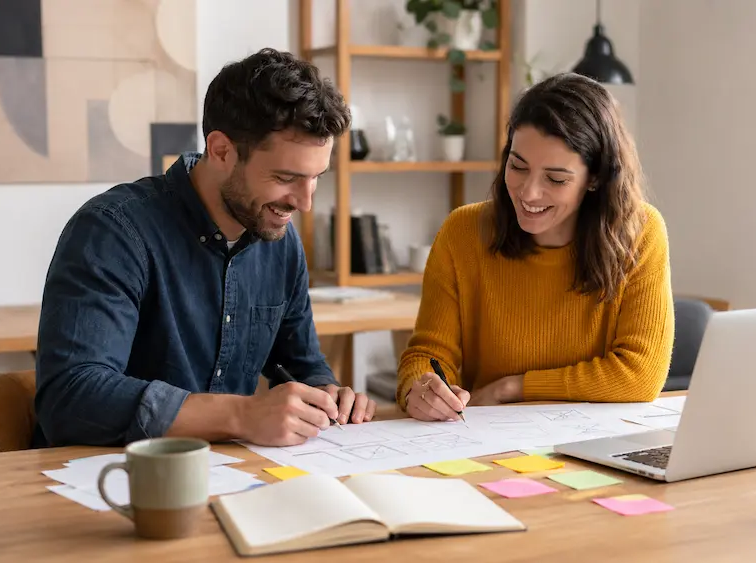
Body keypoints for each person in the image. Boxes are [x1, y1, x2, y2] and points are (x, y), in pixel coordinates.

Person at [33, 48, 376, 448]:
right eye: (286, 177)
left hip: (232, 476)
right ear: (221, 150)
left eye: (316, 177)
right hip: (109, 480)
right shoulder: (113, 231)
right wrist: (241, 414)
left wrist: (327, 396)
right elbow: (71, 399)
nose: (304, 202)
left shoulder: (278, 240)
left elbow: (299, 364)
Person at [397, 72, 674, 421]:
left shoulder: (641, 233)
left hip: (594, 442)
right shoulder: (463, 232)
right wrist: (421, 389)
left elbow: (640, 375)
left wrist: (514, 387)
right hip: (487, 443)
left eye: (555, 179)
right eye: (517, 166)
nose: (528, 193)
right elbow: (429, 353)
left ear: (596, 178)